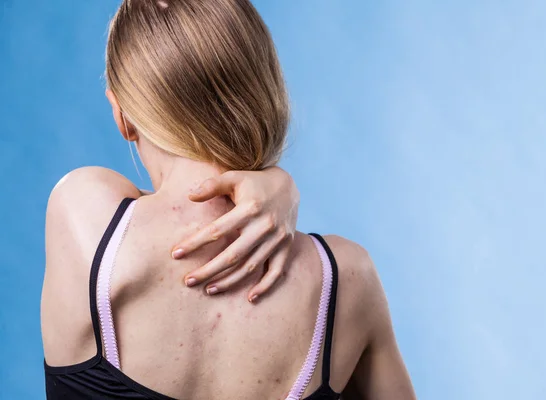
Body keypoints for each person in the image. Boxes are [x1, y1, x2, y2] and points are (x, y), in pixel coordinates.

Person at [41, 0, 416, 399]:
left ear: (123, 116)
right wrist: (279, 179)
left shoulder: (86, 217)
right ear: (262, 90)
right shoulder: (346, 280)